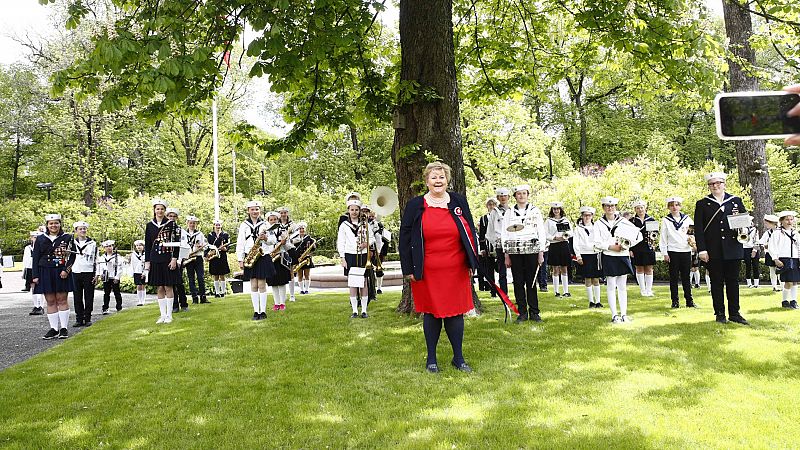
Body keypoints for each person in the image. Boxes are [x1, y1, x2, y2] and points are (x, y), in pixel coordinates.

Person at [399, 161, 476, 373]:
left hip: (456, 268)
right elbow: (404, 238)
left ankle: (458, 358)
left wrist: (472, 261)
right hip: (427, 269)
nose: (438, 181)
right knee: (431, 313)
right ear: (427, 181)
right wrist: (408, 269)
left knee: (455, 313)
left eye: (441, 177)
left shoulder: (458, 201)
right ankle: (431, 358)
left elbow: (470, 232)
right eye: (433, 177)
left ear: (447, 180)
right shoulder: (416, 205)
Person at [694, 172, 749, 325]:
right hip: (713, 249)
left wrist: (744, 227)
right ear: (709, 186)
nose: (715, 186)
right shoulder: (702, 203)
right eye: (712, 184)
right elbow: (699, 229)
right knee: (716, 282)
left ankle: (734, 313)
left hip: (733, 247)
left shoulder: (736, 201)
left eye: (718, 183)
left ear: (724, 184)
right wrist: (702, 250)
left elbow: (744, 222)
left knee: (733, 282)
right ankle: (719, 313)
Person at [593, 197, 641, 324]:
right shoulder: (598, 223)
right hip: (609, 256)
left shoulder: (624, 221)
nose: (610, 208)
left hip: (622, 255)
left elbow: (638, 235)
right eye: (607, 206)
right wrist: (610, 247)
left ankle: (624, 314)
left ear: (616, 207)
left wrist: (627, 245)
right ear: (603, 207)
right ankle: (614, 315)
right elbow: (596, 242)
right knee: (611, 285)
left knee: (622, 286)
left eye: (613, 206)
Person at [501, 184, 546, 323]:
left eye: (524, 193)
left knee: (531, 282)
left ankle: (534, 312)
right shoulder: (509, 213)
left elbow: (541, 232)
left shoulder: (535, 211)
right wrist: (506, 254)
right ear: (515, 196)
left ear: (527, 195)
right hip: (515, 251)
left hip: (532, 250)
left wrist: (541, 252)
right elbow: (504, 233)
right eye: (518, 194)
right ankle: (522, 313)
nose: (521, 196)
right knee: (518, 282)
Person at [32, 214, 75, 339]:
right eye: (51, 223)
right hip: (45, 271)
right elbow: (35, 258)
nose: (53, 225)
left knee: (62, 299)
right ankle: (54, 329)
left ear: (60, 224)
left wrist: (66, 270)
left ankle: (64, 328)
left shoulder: (67, 237)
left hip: (61, 271)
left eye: (56, 223)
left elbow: (72, 256)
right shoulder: (40, 239)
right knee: (50, 301)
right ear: (47, 225)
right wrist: (35, 275)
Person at [236, 200, 275, 320]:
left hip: (262, 255)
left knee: (262, 284)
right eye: (252, 209)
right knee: (253, 284)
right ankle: (256, 311)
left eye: (257, 209)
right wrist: (240, 259)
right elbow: (240, 242)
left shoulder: (266, 224)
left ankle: (263, 311)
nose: (255, 212)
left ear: (260, 211)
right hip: (250, 256)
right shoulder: (244, 225)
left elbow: (273, 240)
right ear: (248, 211)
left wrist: (266, 238)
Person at [144, 198, 181, 324]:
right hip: (155, 259)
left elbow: (177, 243)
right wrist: (147, 262)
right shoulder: (149, 225)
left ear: (165, 210)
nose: (159, 211)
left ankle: (169, 315)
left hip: (168, 258)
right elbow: (148, 244)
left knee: (168, 286)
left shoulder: (171, 224)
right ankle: (162, 315)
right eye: (157, 209)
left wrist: (174, 259)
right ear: (154, 210)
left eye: (162, 209)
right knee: (159, 287)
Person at [659, 197, 696, 309]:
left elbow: (692, 234)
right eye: (671, 205)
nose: (674, 207)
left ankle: (689, 301)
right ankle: (675, 301)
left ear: (680, 206)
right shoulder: (666, 220)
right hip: (673, 251)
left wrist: (693, 243)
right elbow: (663, 238)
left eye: (676, 205)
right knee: (674, 278)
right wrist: (665, 253)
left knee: (686, 277)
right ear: (669, 207)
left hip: (685, 251)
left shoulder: (687, 219)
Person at [337, 199, 372, 318]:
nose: (354, 212)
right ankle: (354, 311)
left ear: (359, 211)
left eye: (356, 210)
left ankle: (364, 310)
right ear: (348, 211)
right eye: (352, 210)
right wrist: (342, 258)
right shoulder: (344, 225)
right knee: (352, 283)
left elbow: (371, 238)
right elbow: (340, 242)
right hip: (350, 255)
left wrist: (365, 243)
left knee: (364, 282)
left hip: (363, 255)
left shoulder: (365, 224)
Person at [769, 211, 800, 309]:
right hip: (784, 258)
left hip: (794, 258)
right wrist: (775, 258)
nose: (789, 221)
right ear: (781, 221)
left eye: (791, 219)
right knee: (788, 281)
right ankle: (785, 301)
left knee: (794, 281)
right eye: (787, 219)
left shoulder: (795, 233)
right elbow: (772, 246)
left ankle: (793, 301)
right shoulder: (777, 233)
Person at [573, 206, 603, 309]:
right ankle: (591, 301)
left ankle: (598, 301)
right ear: (582, 216)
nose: (587, 217)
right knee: (588, 279)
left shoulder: (597, 227)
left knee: (596, 278)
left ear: (592, 216)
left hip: (595, 254)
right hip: (584, 254)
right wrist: (578, 256)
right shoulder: (577, 228)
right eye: (585, 215)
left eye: (589, 215)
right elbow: (575, 243)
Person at [70, 221, 97, 326]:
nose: (83, 231)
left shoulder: (92, 243)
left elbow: (96, 259)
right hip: (76, 271)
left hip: (88, 271)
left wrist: (96, 274)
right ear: (76, 231)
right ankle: (79, 318)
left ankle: (88, 317)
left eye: (84, 229)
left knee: (89, 296)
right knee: (77, 296)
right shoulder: (72, 243)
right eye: (80, 229)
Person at [266, 211, 295, 311]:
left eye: (275, 219)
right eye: (271, 219)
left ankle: (282, 303)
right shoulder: (265, 230)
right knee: (273, 283)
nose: (273, 221)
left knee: (281, 282)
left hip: (281, 258)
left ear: (278, 220)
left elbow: (288, 245)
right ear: (268, 221)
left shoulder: (283, 230)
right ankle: (276, 303)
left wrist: (284, 242)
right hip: (270, 257)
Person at [630, 200, 657, 297]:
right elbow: (629, 236)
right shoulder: (632, 221)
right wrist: (630, 249)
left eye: (641, 207)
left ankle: (649, 290)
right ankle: (642, 290)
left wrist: (653, 245)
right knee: (639, 268)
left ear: (645, 208)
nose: (640, 210)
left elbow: (654, 235)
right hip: (636, 247)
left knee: (649, 268)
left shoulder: (651, 219)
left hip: (648, 246)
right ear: (635, 209)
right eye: (638, 208)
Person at [545, 202, 572, 298]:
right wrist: (555, 238)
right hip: (554, 245)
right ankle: (556, 291)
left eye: (558, 209)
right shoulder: (548, 221)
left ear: (561, 209)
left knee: (564, 268)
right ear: (552, 210)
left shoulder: (565, 220)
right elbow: (546, 234)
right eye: (554, 209)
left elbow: (571, 232)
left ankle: (566, 291)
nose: (556, 211)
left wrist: (565, 236)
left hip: (564, 245)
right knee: (555, 268)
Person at [488, 187, 511, 295]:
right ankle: (504, 294)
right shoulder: (494, 212)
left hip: (512, 244)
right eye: (501, 196)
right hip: (500, 244)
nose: (503, 198)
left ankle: (518, 295)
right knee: (502, 271)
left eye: (505, 196)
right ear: (498, 198)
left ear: (508, 197)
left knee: (517, 271)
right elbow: (490, 230)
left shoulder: (512, 211)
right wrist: (495, 242)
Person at [166, 208, 189, 313]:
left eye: (174, 216)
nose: (171, 218)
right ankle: (174, 305)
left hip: (178, 260)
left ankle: (184, 304)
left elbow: (183, 246)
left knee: (179, 283)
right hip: (166, 260)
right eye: (170, 216)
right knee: (170, 284)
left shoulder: (181, 230)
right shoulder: (164, 230)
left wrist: (179, 260)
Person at [184, 215, 209, 304]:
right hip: (189, 258)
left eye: (194, 223)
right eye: (190, 223)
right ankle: (194, 297)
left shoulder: (200, 234)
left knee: (200, 277)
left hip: (198, 257)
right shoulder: (183, 234)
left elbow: (205, 246)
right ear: (187, 223)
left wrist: (201, 247)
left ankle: (203, 297)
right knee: (191, 279)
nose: (192, 225)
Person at [478, 197, 498, 296]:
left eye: (493, 204)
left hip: (498, 245)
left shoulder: (500, 216)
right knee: (489, 269)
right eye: (490, 205)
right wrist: (482, 248)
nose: (491, 206)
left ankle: (503, 290)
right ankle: (493, 290)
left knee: (500, 268)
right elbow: (481, 234)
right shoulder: (483, 218)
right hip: (487, 246)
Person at [277, 206, 297, 302]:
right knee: (281, 272)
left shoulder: (293, 224)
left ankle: (292, 295)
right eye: (281, 213)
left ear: (287, 214)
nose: (283, 215)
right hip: (279, 249)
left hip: (289, 248)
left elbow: (298, 237)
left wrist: (289, 240)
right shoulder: (276, 224)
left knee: (291, 271)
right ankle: (283, 295)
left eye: (285, 213)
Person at [206, 219, 231, 298]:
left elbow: (228, 246)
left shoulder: (225, 234)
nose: (218, 226)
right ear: (213, 225)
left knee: (222, 274)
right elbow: (208, 245)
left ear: (221, 225)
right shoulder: (210, 235)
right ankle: (217, 293)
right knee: (215, 275)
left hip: (222, 255)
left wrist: (225, 249)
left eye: (219, 225)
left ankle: (223, 292)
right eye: (216, 225)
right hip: (214, 256)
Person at [98, 240, 123, 314]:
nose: (109, 248)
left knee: (117, 292)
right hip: (106, 277)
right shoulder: (102, 257)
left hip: (114, 277)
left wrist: (117, 277)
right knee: (106, 293)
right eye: (107, 246)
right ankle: (105, 308)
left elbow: (120, 268)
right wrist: (101, 275)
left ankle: (119, 307)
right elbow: (100, 267)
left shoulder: (117, 257)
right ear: (104, 248)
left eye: (110, 246)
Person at [292, 221, 316, 294]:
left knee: (307, 274)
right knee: (300, 275)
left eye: (303, 228)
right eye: (300, 229)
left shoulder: (309, 238)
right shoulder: (295, 239)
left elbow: (313, 248)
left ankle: (307, 289)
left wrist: (313, 246)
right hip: (298, 258)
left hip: (307, 258)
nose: (301, 230)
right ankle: (301, 289)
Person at [24, 231, 45, 315]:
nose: (35, 239)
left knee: (41, 288)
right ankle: (36, 305)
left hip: (40, 268)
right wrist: (23, 272)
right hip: (30, 268)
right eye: (33, 237)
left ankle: (41, 306)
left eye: (36, 237)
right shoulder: (28, 248)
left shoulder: (43, 246)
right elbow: (25, 260)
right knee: (33, 288)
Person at [759, 214, 781, 292]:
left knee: (780, 271)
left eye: (767, 223)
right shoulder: (767, 233)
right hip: (769, 253)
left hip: (779, 253)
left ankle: (782, 285)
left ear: (772, 223)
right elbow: (761, 242)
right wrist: (764, 245)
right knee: (772, 271)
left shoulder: (780, 231)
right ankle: (774, 286)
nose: (765, 225)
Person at [741, 221, 760, 288]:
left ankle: (756, 284)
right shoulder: (742, 229)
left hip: (754, 247)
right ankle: (749, 283)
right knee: (748, 266)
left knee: (755, 266)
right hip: (745, 248)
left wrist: (754, 250)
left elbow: (757, 240)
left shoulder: (755, 230)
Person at [130, 240, 147, 305]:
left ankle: (143, 300)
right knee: (138, 285)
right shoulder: (134, 255)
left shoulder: (146, 254)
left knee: (143, 285)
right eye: (137, 245)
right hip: (136, 272)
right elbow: (132, 264)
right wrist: (132, 272)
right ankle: (139, 300)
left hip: (143, 272)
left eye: (140, 245)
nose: (138, 247)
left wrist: (145, 272)